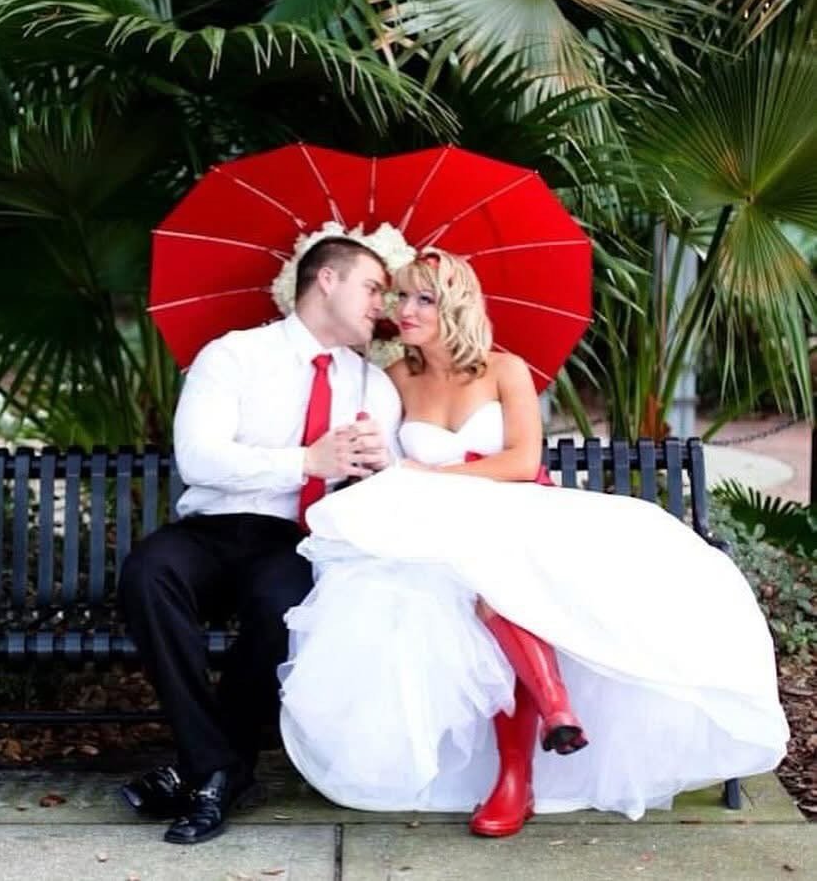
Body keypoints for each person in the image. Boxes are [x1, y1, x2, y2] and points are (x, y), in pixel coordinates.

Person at [278, 248, 789, 836]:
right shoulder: (395, 378)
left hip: (516, 510)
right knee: (452, 585)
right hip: (432, 526)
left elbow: (522, 461)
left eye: (424, 298)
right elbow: (383, 454)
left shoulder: (504, 370)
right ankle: (549, 720)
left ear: (457, 305)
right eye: (399, 297)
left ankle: (526, 757)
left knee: (504, 584)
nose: (405, 310)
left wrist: (434, 479)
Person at [118, 237, 402, 845]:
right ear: (327, 279)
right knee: (148, 574)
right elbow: (198, 458)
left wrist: (381, 469)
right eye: (373, 287)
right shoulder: (234, 356)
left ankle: (203, 773)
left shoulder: (373, 386)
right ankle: (217, 768)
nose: (383, 303)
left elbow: (388, 495)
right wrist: (305, 460)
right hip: (211, 528)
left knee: (286, 608)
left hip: (296, 541)